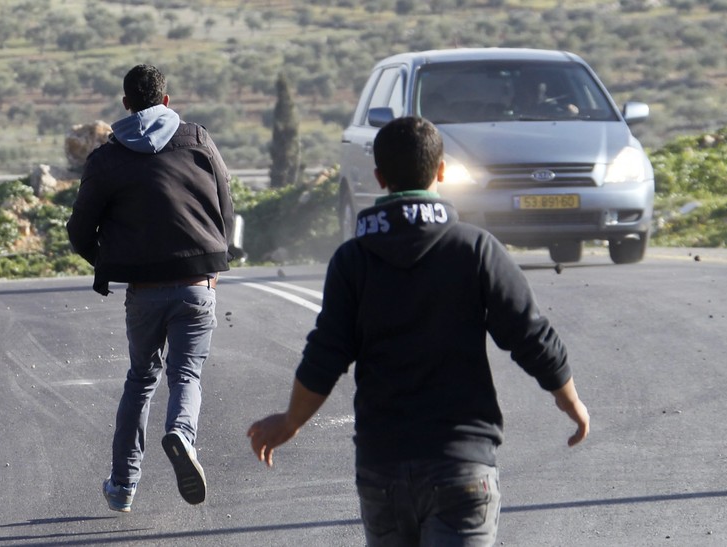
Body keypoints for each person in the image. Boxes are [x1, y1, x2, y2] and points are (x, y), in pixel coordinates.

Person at [247, 116, 589, 545]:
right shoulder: (475, 248)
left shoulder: (353, 260)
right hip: (462, 466)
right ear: (441, 171)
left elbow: (325, 353)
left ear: (379, 177)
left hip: (382, 469)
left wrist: (291, 421)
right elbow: (529, 334)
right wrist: (569, 399)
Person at [67, 64, 235, 513]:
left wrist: (109, 262)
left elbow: (79, 229)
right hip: (198, 283)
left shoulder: (107, 158)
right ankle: (182, 435)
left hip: (144, 290)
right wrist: (217, 259)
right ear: (166, 101)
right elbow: (225, 196)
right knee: (187, 375)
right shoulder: (197, 139)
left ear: (125, 105)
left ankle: (122, 487)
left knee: (141, 380)